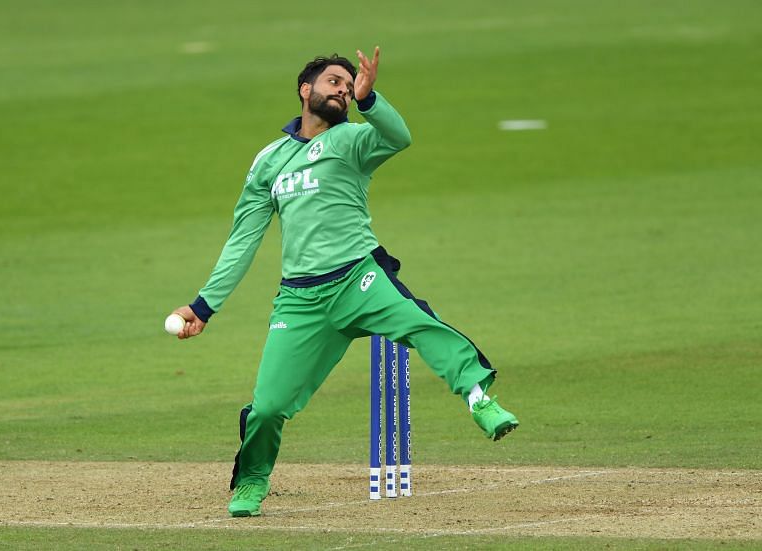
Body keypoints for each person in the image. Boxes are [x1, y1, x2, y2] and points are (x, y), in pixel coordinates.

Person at [170, 47, 519, 517]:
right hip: (300, 301)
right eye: (333, 81)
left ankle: (480, 399)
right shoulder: (269, 161)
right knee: (269, 408)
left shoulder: (353, 140)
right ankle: (252, 480)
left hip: (359, 277)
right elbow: (242, 240)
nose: (341, 89)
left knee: (422, 323)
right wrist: (203, 306)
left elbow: (399, 137)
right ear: (304, 89)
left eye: (347, 85)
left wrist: (371, 99)